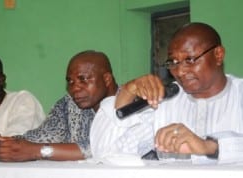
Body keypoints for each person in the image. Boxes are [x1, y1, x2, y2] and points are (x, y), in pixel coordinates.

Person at [90, 22, 243, 164]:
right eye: (173, 63)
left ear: (218, 55)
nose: (180, 71)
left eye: (189, 60)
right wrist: (127, 93)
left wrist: (209, 146)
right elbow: (108, 153)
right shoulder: (166, 100)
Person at [0, 50, 118, 161]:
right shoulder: (69, 104)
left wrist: (38, 151)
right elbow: (41, 136)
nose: (74, 88)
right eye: (70, 81)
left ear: (106, 79)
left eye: (83, 79)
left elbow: (103, 148)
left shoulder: (132, 104)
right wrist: (1, 143)